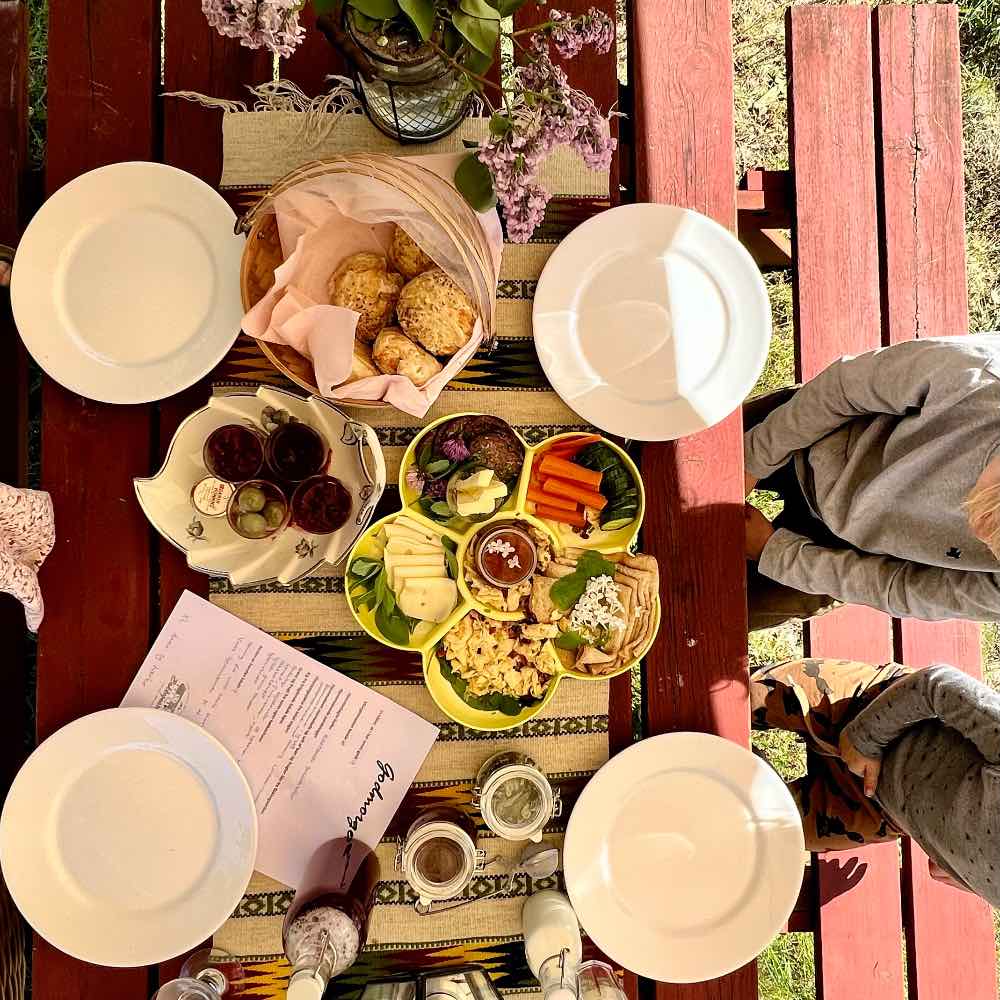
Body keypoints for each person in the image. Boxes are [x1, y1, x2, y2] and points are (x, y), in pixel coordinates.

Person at [743, 335, 1000, 631]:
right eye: (980, 510)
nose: (976, 535)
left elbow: (901, 589)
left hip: (849, 556)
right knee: (687, 461)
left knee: (701, 618)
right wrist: (750, 462)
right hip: (818, 433)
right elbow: (844, 388)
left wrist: (777, 556)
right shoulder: (979, 376)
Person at [752, 657, 1000, 903]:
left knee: (749, 829)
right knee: (742, 697)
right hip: (872, 709)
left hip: (878, 807)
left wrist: (962, 869)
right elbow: (938, 685)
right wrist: (866, 739)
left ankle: (747, 770)